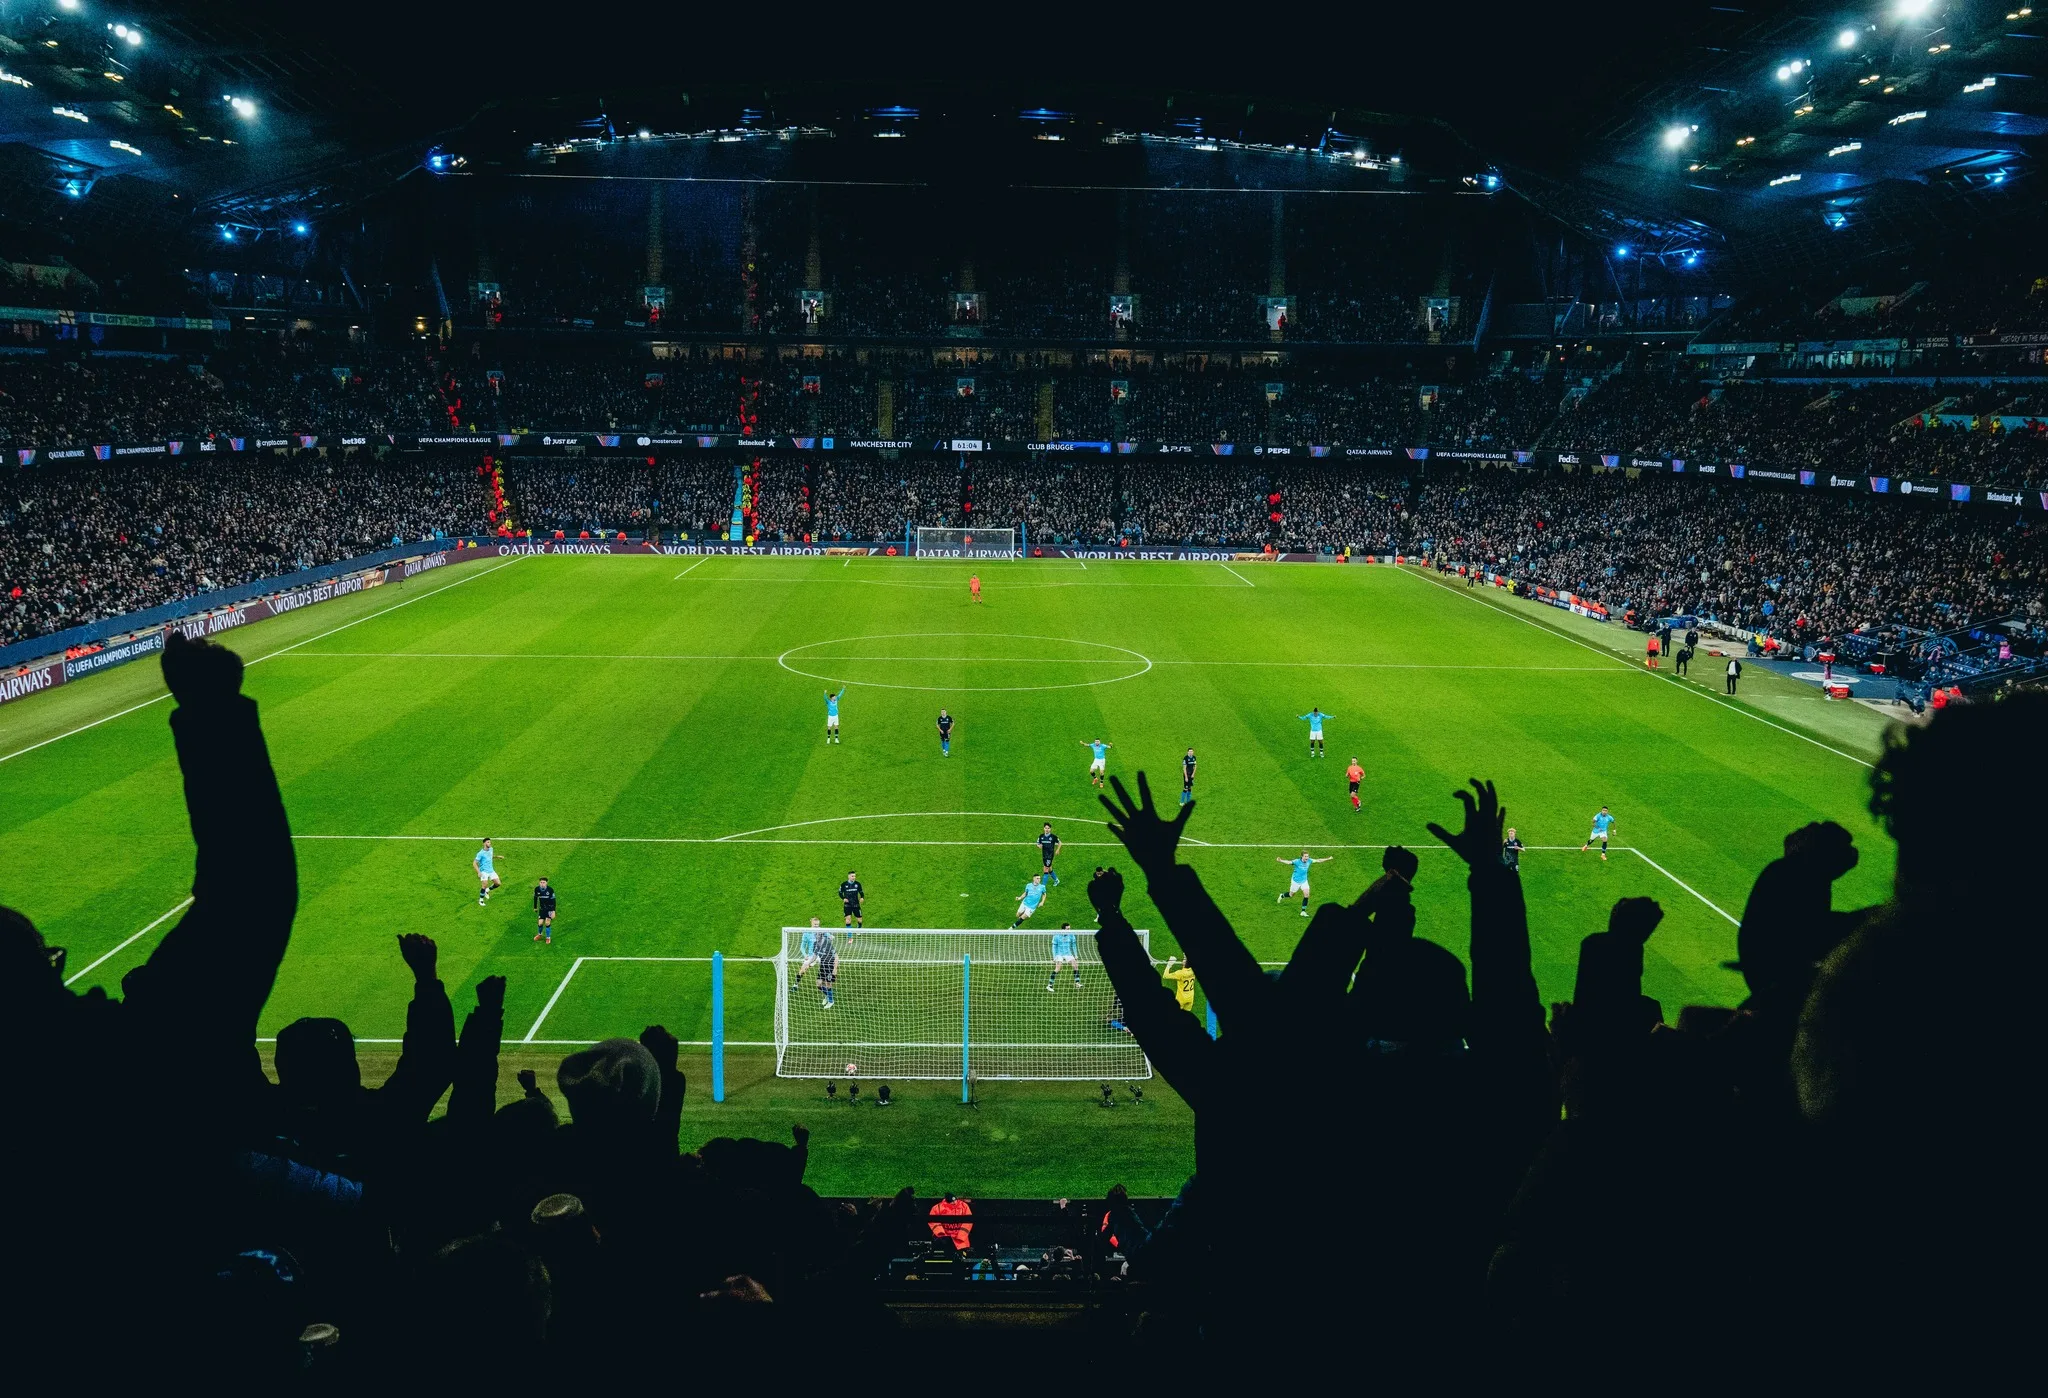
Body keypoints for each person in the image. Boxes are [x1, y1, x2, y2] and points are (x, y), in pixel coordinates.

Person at [1275, 848, 1333, 916]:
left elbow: (1318, 860)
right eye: (1305, 856)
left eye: (1307, 856)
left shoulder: (1309, 861)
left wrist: (1328, 858)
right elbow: (1289, 862)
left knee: (1307, 894)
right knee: (1291, 895)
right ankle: (1282, 895)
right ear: (1302, 856)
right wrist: (1280, 860)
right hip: (1295, 881)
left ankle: (1303, 911)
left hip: (1304, 881)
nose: (1307, 858)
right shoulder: (1297, 861)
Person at [1048, 922, 1081, 990]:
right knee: (1058, 968)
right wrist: (1054, 957)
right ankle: (1050, 985)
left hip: (1068, 953)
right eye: (1068, 929)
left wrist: (1076, 955)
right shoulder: (1056, 936)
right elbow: (1054, 947)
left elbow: (1074, 945)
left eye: (1069, 928)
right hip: (1059, 954)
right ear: (1063, 929)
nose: (1069, 930)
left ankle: (1077, 983)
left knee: (1075, 966)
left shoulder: (1071, 935)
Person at [474, 838, 502, 906]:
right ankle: (481, 900)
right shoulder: (480, 853)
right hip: (484, 871)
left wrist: (497, 857)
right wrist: (479, 872)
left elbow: (490, 857)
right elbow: (474, 863)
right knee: (484, 885)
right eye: (488, 842)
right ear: (484, 843)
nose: (490, 843)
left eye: (490, 842)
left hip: (491, 870)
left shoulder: (491, 849)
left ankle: (487, 890)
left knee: (498, 883)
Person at [814, 926, 837, 1008]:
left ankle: (831, 1001)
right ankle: (828, 996)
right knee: (818, 984)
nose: (816, 936)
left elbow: (836, 956)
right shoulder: (815, 944)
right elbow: (814, 955)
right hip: (822, 966)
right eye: (815, 934)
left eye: (817, 934)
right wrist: (808, 962)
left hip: (830, 966)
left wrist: (835, 968)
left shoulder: (828, 943)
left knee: (828, 984)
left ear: (821, 935)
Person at [796, 916, 822, 984]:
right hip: (811, 955)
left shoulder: (822, 931)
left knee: (825, 968)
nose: (816, 926)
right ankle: (795, 985)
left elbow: (828, 935)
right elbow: (802, 947)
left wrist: (830, 936)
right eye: (815, 925)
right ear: (811, 924)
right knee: (803, 970)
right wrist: (805, 955)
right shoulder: (807, 933)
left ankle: (822, 984)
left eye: (817, 925)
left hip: (821, 955)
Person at [532, 877, 557, 944]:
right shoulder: (537, 889)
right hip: (542, 909)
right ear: (539, 883)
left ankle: (548, 938)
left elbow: (554, 900)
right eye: (541, 882)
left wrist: (554, 911)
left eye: (544, 882)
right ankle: (539, 934)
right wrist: (535, 907)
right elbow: (535, 898)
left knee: (547, 923)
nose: (542, 884)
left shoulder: (550, 890)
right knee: (540, 923)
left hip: (550, 908)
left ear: (546, 883)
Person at [1038, 822, 1063, 886]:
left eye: (1048, 828)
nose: (1047, 829)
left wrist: (1057, 850)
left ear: (1050, 829)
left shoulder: (1053, 837)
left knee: (1046, 869)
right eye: (1045, 828)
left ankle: (1043, 886)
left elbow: (1060, 843)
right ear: (1043, 828)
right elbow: (1038, 843)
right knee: (1050, 869)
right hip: (1044, 855)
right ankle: (1056, 880)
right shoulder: (1041, 836)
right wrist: (1039, 845)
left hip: (1049, 855)